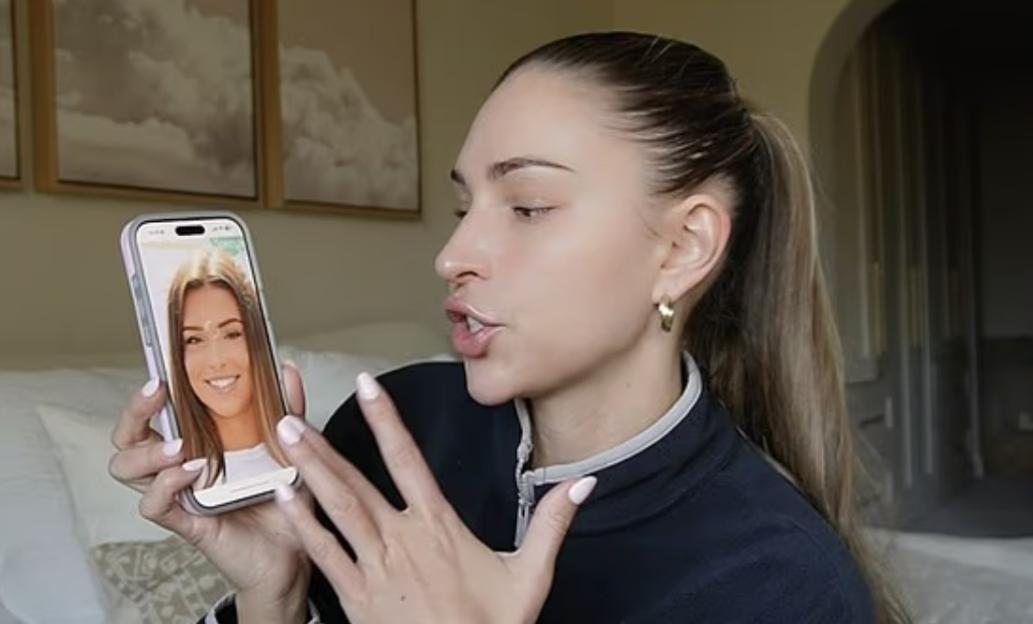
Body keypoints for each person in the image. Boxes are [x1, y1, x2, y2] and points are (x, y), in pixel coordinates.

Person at [109, 32, 910, 623]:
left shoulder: (779, 581)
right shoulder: (389, 427)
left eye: (526, 207)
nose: (453, 254)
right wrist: (272, 593)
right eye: (463, 207)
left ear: (682, 249)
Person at [166, 248, 288, 488]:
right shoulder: (180, 472)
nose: (216, 360)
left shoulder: (301, 453)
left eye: (232, 334)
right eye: (194, 340)